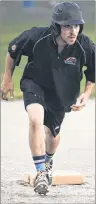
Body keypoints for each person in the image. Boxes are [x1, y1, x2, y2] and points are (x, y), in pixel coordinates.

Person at [1, 1, 95, 195]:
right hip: (34, 83)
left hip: (62, 93)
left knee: (52, 135)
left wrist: (86, 94)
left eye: (76, 25)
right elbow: (12, 51)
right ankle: (41, 172)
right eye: (67, 25)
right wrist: (7, 79)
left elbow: (92, 75)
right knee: (35, 118)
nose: (73, 31)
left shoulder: (85, 45)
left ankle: (48, 160)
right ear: (56, 26)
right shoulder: (36, 36)